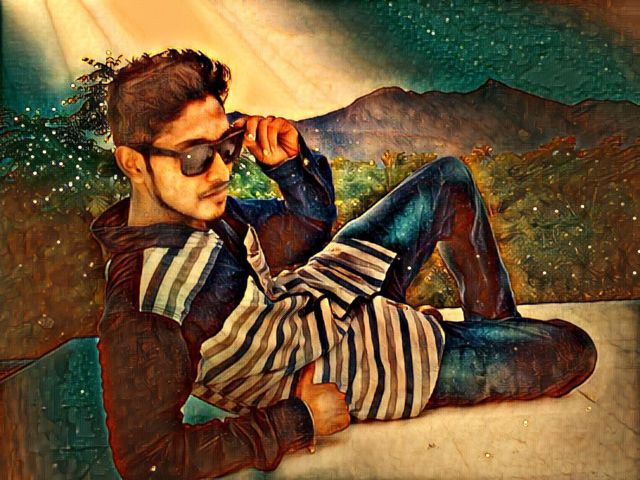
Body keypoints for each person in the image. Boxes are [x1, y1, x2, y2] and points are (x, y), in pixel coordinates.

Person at [91, 49, 596, 479]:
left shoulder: (197, 213)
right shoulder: (146, 309)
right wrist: (298, 420)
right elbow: (148, 460)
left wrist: (289, 167)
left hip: (329, 293)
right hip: (359, 365)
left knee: (450, 178)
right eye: (195, 157)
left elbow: (307, 229)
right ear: (133, 163)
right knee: (574, 350)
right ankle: (491, 342)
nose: (221, 171)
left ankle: (496, 333)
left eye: (227, 146)